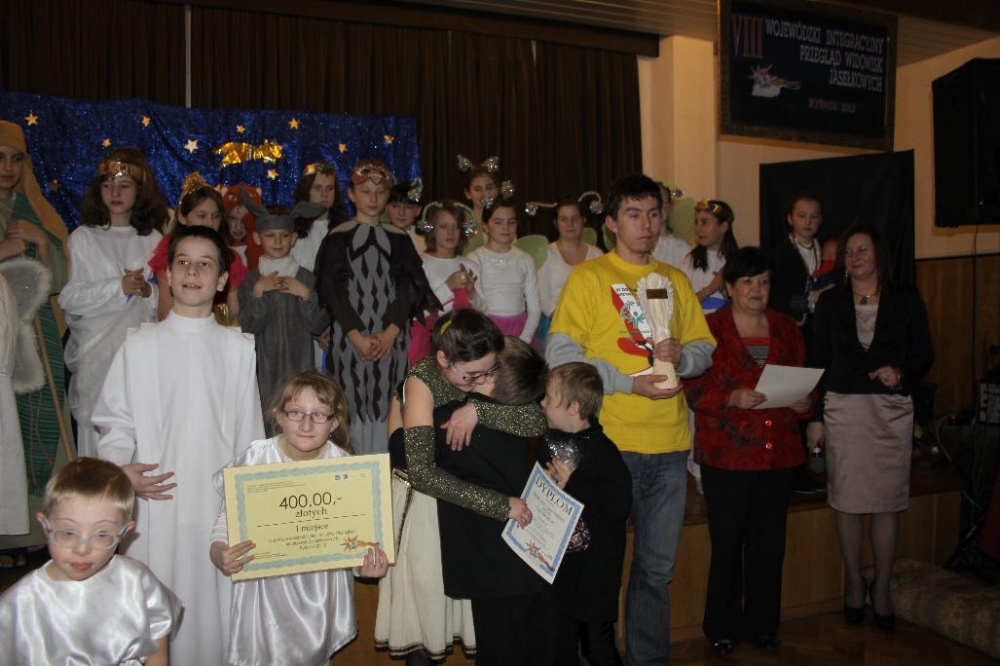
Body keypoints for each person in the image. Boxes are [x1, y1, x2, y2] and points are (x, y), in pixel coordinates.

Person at [547, 173, 715, 665]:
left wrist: (682, 357)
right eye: (634, 215)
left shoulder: (675, 280)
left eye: (654, 214)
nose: (647, 224)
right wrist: (627, 381)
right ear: (612, 223)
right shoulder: (589, 278)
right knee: (596, 571)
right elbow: (561, 357)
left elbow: (704, 350)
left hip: (669, 447)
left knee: (656, 572)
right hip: (607, 448)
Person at [94, 224, 265, 663]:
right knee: (155, 602)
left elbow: (249, 438)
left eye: (205, 264)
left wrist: (243, 510)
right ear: (167, 274)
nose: (192, 272)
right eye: (183, 262)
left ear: (222, 280)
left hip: (214, 506)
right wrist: (119, 472)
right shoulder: (140, 345)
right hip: (155, 500)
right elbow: (114, 422)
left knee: (214, 615)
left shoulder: (237, 349)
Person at [375, 314, 549, 664]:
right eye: (472, 375)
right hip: (426, 507)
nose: (482, 380)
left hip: (462, 509)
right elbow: (421, 473)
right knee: (426, 613)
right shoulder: (422, 380)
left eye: (489, 371)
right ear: (443, 359)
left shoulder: (480, 362)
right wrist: (500, 505)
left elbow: (535, 418)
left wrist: (479, 410)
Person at [210, 370, 389, 666]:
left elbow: (357, 537)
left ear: (334, 422)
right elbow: (225, 523)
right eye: (295, 413)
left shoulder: (346, 468)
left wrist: (365, 566)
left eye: (318, 414)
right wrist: (219, 553)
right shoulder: (256, 459)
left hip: (320, 594)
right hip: (266, 594)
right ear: (279, 417)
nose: (306, 424)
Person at [684, 247, 812, 656]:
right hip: (727, 456)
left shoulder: (787, 327)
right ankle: (721, 627)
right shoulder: (708, 328)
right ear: (729, 287)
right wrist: (730, 398)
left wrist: (805, 404)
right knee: (727, 546)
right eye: (747, 282)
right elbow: (693, 391)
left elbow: (803, 383)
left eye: (764, 282)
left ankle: (763, 625)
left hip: (778, 454)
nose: (757, 290)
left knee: (769, 546)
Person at [808, 224, 933, 631]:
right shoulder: (830, 303)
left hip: (890, 411)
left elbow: (924, 354)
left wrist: (901, 373)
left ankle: (881, 586)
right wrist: (815, 418)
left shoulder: (906, 299)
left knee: (885, 502)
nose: (855, 257)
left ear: (879, 253)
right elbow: (817, 362)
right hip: (843, 409)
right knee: (846, 501)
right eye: (848, 252)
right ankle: (853, 581)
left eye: (862, 250)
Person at [0, 457, 181, 665]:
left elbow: (157, 649)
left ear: (124, 532)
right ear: (45, 524)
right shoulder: (19, 604)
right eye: (68, 533)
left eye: (102, 535)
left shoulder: (135, 582)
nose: (82, 549)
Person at [315, 159, 438, 455]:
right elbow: (332, 291)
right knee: (351, 400)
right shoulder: (338, 237)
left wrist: (390, 333)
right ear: (351, 194)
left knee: (389, 399)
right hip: (349, 340)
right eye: (365, 191)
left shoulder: (399, 239)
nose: (373, 198)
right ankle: (352, 469)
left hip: (391, 340)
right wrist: (356, 336)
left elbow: (411, 288)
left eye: (380, 192)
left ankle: (388, 470)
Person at [60, 148, 166, 458]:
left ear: (139, 191)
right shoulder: (83, 237)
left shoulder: (153, 239)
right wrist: (118, 287)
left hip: (138, 349)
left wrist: (147, 292)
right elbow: (70, 298)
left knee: (140, 430)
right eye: (108, 185)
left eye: (124, 185)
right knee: (99, 436)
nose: (115, 193)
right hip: (97, 353)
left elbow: (161, 302)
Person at [0, 120, 71, 563]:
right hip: (1, 344)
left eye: (16, 158)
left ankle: (38, 532)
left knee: (43, 431)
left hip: (38, 339)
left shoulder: (37, 211)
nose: (8, 167)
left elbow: (60, 280)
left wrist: (42, 242)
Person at [537, 362, 632, 666]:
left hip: (595, 573)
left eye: (549, 397)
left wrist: (575, 482)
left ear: (574, 407)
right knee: (559, 645)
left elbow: (619, 505)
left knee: (597, 646)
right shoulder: (546, 445)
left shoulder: (604, 453)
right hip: (559, 569)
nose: (542, 403)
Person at [236, 193, 328, 431]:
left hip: (300, 367)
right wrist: (258, 293)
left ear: (294, 238)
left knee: (299, 418)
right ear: (257, 238)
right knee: (267, 421)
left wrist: (306, 295)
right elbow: (247, 327)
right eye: (270, 235)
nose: (278, 241)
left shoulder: (305, 278)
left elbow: (318, 324)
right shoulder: (252, 281)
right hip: (264, 371)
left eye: (284, 235)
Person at [149, 172, 248, 325]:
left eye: (216, 216)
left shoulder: (230, 256)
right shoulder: (169, 250)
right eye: (202, 216)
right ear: (182, 217)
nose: (210, 223)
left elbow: (235, 312)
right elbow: (165, 310)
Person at [409, 200, 479, 364]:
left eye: (456, 227)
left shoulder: (470, 265)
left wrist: (471, 293)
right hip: (428, 344)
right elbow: (414, 313)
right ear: (432, 230)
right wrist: (448, 287)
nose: (450, 232)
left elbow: (483, 312)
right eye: (443, 226)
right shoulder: (420, 263)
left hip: (462, 345)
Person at [468, 196, 541, 343]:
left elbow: (534, 308)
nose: (506, 227)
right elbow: (478, 306)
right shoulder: (475, 259)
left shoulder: (525, 260)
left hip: (520, 331)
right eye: (498, 222)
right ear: (485, 226)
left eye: (511, 222)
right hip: (486, 331)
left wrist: (524, 340)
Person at [537, 197, 603, 347]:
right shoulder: (546, 254)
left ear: (584, 221)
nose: (570, 224)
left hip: (591, 324)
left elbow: (602, 292)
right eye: (564, 219)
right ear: (556, 224)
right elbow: (542, 296)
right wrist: (564, 321)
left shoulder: (597, 254)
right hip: (555, 324)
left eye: (575, 218)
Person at [683, 198, 738, 314]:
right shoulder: (691, 260)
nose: (697, 229)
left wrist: (725, 291)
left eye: (704, 223)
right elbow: (681, 304)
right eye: (696, 223)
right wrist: (710, 289)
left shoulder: (737, 262)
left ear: (723, 227)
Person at [291, 162, 348, 272]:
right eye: (317, 188)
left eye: (329, 188)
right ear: (306, 190)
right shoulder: (292, 229)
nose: (324, 194)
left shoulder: (344, 230)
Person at [458, 157, 500, 255]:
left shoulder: (506, 221)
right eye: (478, 189)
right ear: (468, 193)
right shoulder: (460, 222)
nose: (484, 194)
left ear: (497, 190)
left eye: (489, 188)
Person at [651, 182, 689, 269]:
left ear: (670, 207)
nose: (658, 208)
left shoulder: (683, 250)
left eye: (663, 203)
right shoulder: (635, 245)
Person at [387, 180, 425, 253]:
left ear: (418, 210)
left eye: (408, 207)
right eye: (395, 206)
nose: (401, 213)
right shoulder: (376, 240)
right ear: (386, 208)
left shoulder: (425, 246)